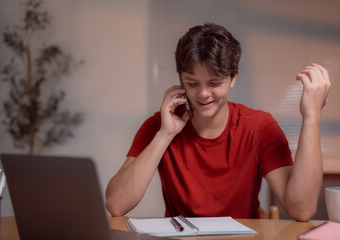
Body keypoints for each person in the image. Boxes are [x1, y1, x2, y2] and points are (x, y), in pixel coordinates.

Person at [105, 23, 331, 221]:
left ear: (233, 77)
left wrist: (312, 116)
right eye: (192, 83)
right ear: (180, 79)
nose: (203, 94)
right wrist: (164, 135)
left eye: (214, 83)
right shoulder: (159, 126)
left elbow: (302, 210)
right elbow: (116, 205)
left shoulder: (259, 127)